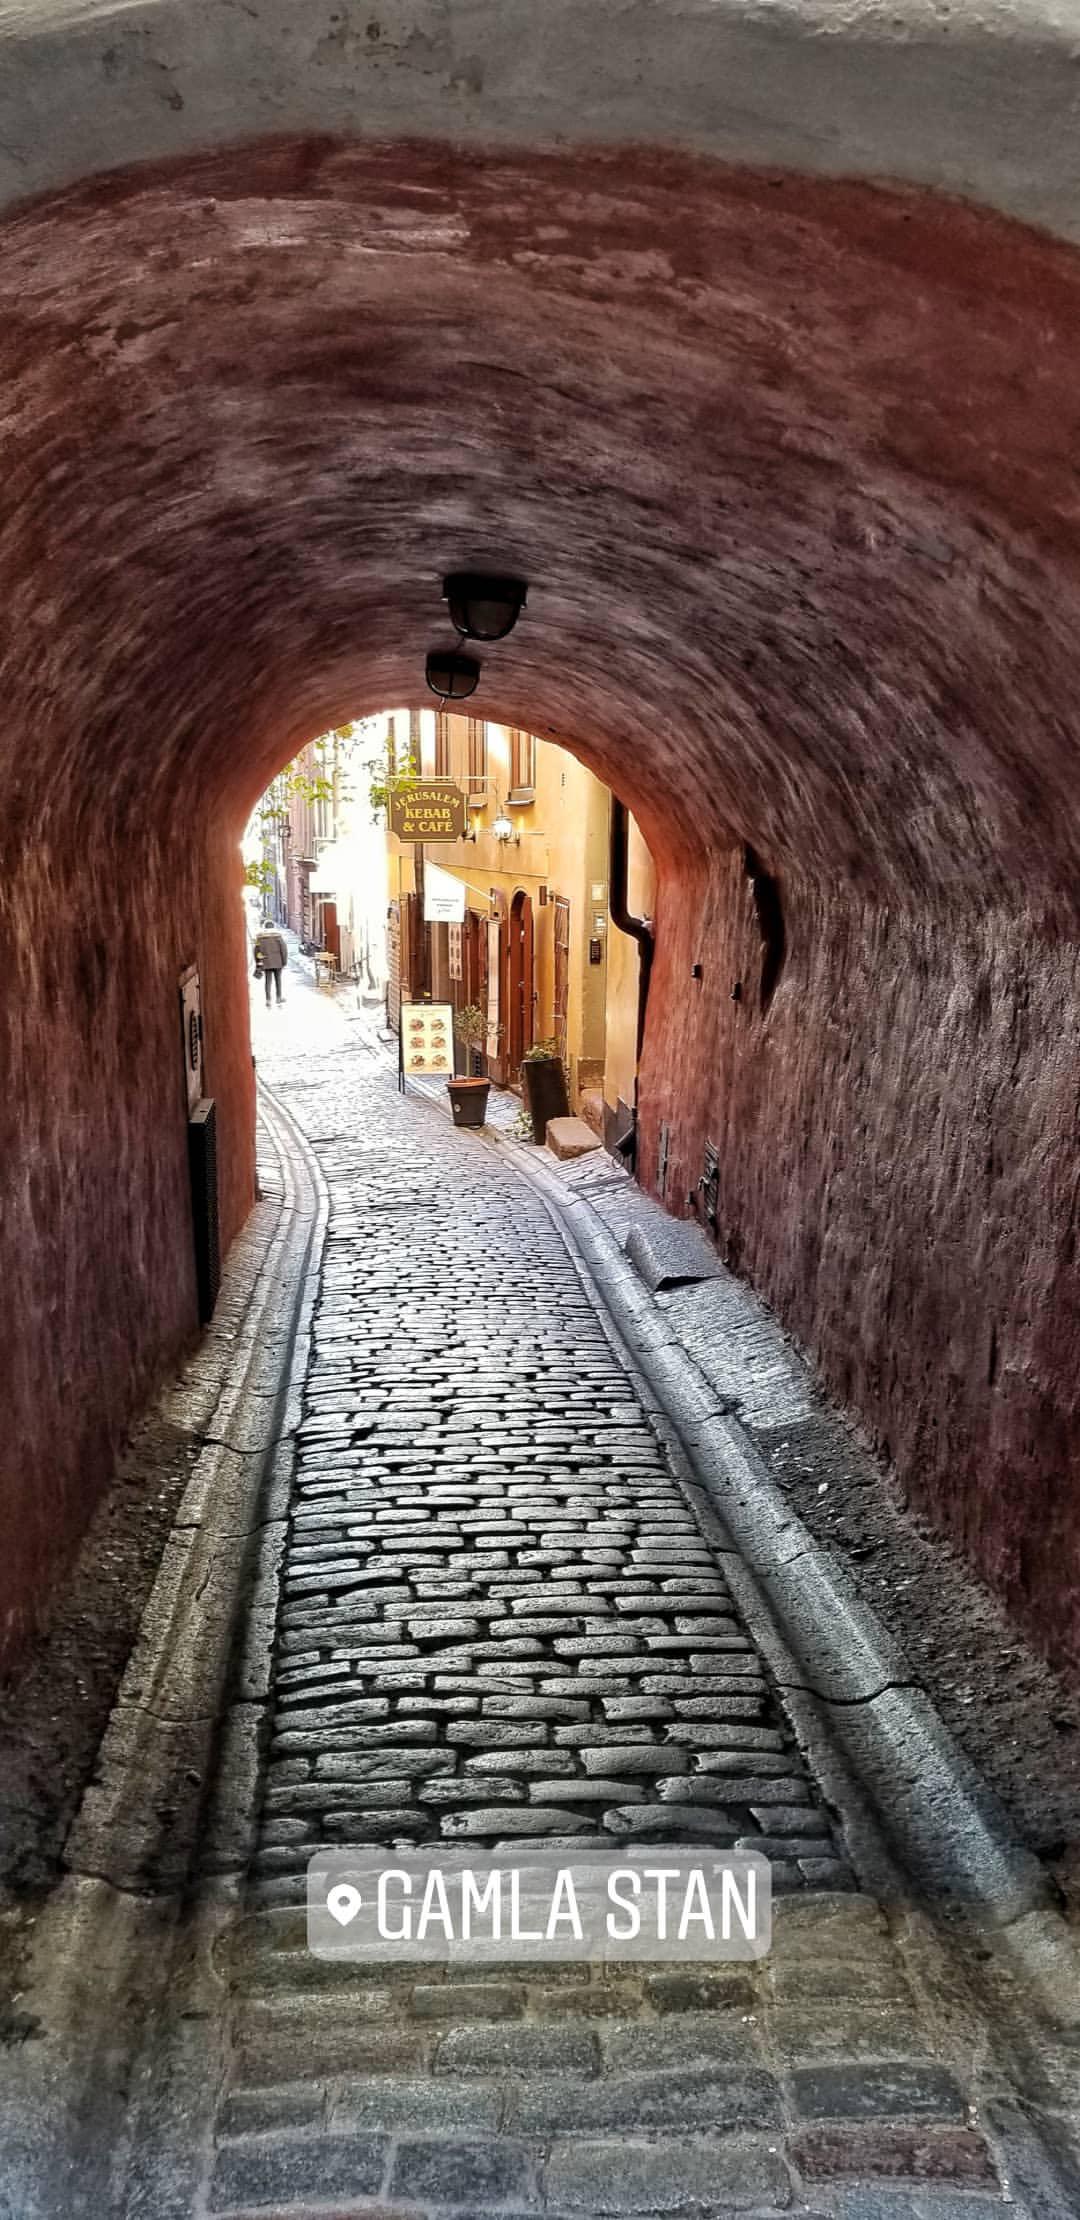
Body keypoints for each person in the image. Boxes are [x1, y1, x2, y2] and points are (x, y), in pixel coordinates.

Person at [255, 920, 288, 1004]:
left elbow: (256, 951)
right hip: (278, 962)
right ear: (273, 927)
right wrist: (284, 962)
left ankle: (268, 1000)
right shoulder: (278, 937)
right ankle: (278, 998)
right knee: (278, 980)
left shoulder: (260, 938)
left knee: (268, 981)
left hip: (266, 962)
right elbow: (284, 950)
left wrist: (258, 963)